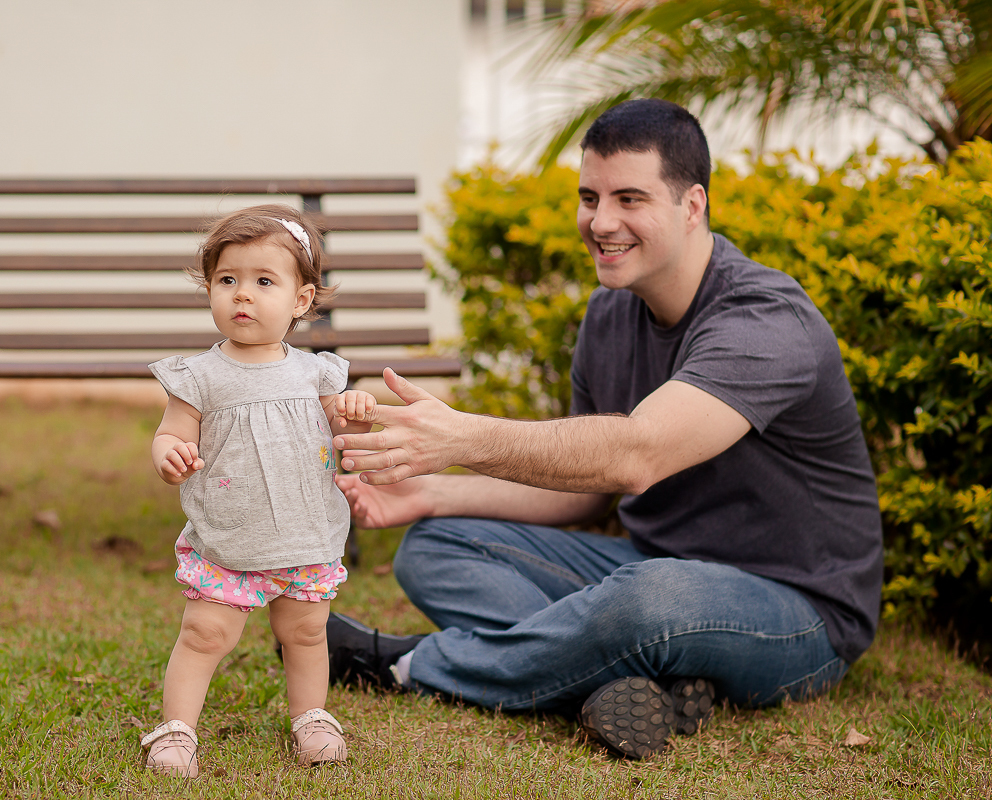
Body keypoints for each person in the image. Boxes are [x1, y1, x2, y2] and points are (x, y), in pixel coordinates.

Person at [328, 99, 884, 760]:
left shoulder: (764, 319)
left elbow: (637, 456)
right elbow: (587, 496)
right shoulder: (609, 313)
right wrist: (435, 492)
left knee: (647, 602)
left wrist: (461, 437)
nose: (602, 221)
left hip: (799, 613)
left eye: (629, 198)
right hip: (652, 566)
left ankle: (410, 665)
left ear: (692, 205)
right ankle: (629, 680)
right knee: (434, 547)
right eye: (589, 197)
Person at [141, 204, 378, 777]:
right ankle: (177, 730)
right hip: (229, 534)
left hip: (305, 534)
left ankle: (312, 717)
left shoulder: (319, 374)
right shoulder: (199, 376)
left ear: (301, 301)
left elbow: (345, 433)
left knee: (305, 631)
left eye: (263, 282)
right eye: (228, 281)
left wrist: (356, 411)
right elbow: (171, 432)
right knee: (204, 632)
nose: (241, 296)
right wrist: (168, 453)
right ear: (210, 289)